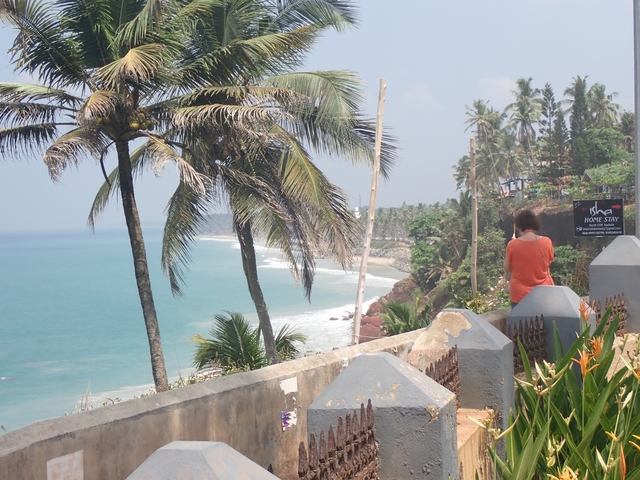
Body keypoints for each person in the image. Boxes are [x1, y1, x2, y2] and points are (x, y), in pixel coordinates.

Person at [504, 209, 554, 307]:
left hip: (520, 296)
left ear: (519, 226)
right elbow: (548, 262)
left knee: (522, 323)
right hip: (543, 292)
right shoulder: (546, 242)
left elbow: (507, 268)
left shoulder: (513, 245)